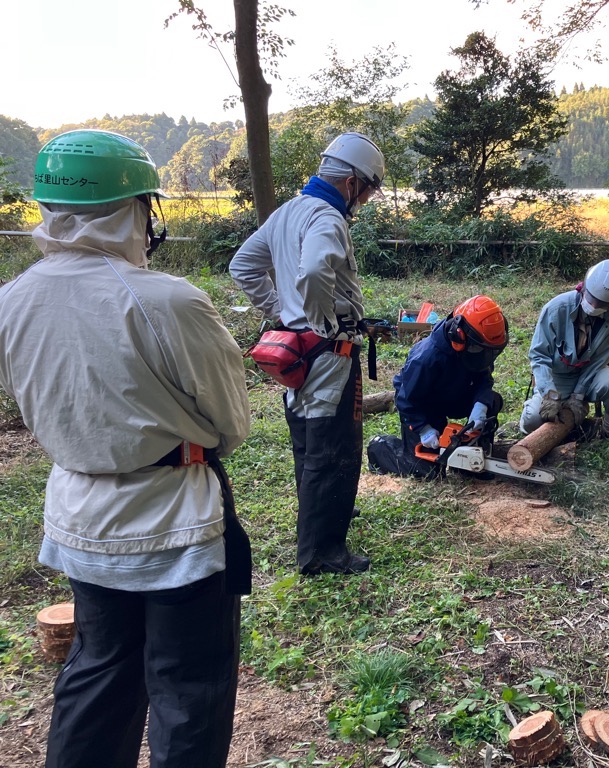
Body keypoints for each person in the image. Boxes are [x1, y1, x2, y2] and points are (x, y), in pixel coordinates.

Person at [0, 130, 251, 768]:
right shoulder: (165, 300)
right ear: (135, 208)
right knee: (189, 688)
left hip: (80, 519)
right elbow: (230, 424)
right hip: (175, 525)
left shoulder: (12, 300)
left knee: (97, 673)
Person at [230, 132, 384, 576]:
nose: (366, 200)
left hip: (296, 347)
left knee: (307, 440)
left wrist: (281, 312)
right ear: (353, 182)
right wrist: (319, 320)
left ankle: (322, 514)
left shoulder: (288, 211)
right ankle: (322, 552)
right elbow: (316, 269)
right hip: (327, 350)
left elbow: (243, 265)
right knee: (334, 446)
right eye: (369, 191)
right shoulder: (327, 217)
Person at [367, 295, 508, 478]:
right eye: (481, 349)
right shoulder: (426, 358)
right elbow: (406, 398)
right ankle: (379, 447)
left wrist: (481, 405)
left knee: (492, 400)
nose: (486, 354)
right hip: (424, 404)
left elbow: (484, 380)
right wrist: (423, 428)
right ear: (459, 335)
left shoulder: (480, 349)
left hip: (455, 395)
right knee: (427, 472)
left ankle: (470, 458)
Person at [519, 259, 609, 438]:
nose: (594, 307)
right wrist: (550, 395)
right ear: (584, 287)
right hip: (558, 377)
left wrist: (578, 395)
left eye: (601, 304)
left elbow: (601, 358)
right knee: (533, 420)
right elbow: (539, 356)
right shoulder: (556, 308)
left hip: (592, 373)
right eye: (592, 299)